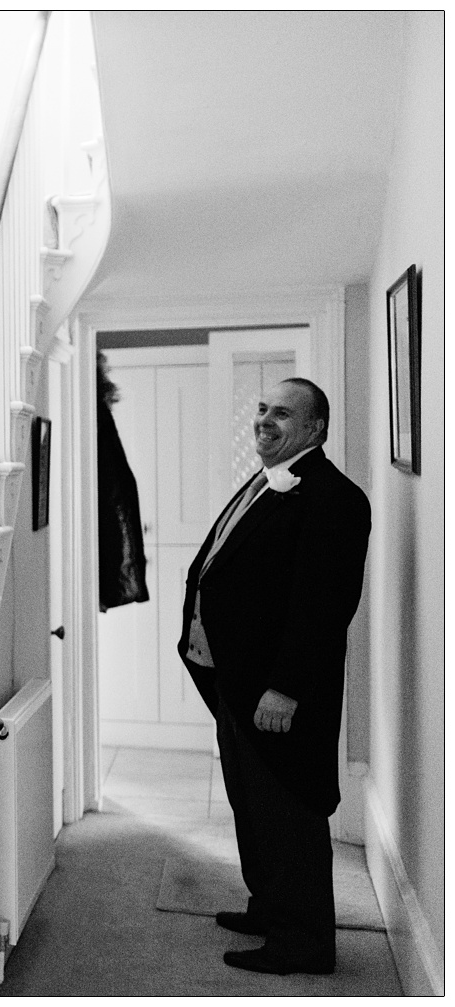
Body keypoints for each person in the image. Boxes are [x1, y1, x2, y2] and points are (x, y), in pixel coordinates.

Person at [176, 377, 370, 976]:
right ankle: (269, 907)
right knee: (252, 806)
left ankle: (305, 942)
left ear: (316, 429)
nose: (265, 420)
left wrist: (284, 689)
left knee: (288, 813)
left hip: (275, 694)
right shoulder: (270, 478)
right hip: (236, 683)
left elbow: (323, 607)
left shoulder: (335, 497)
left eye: (282, 414)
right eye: (262, 408)